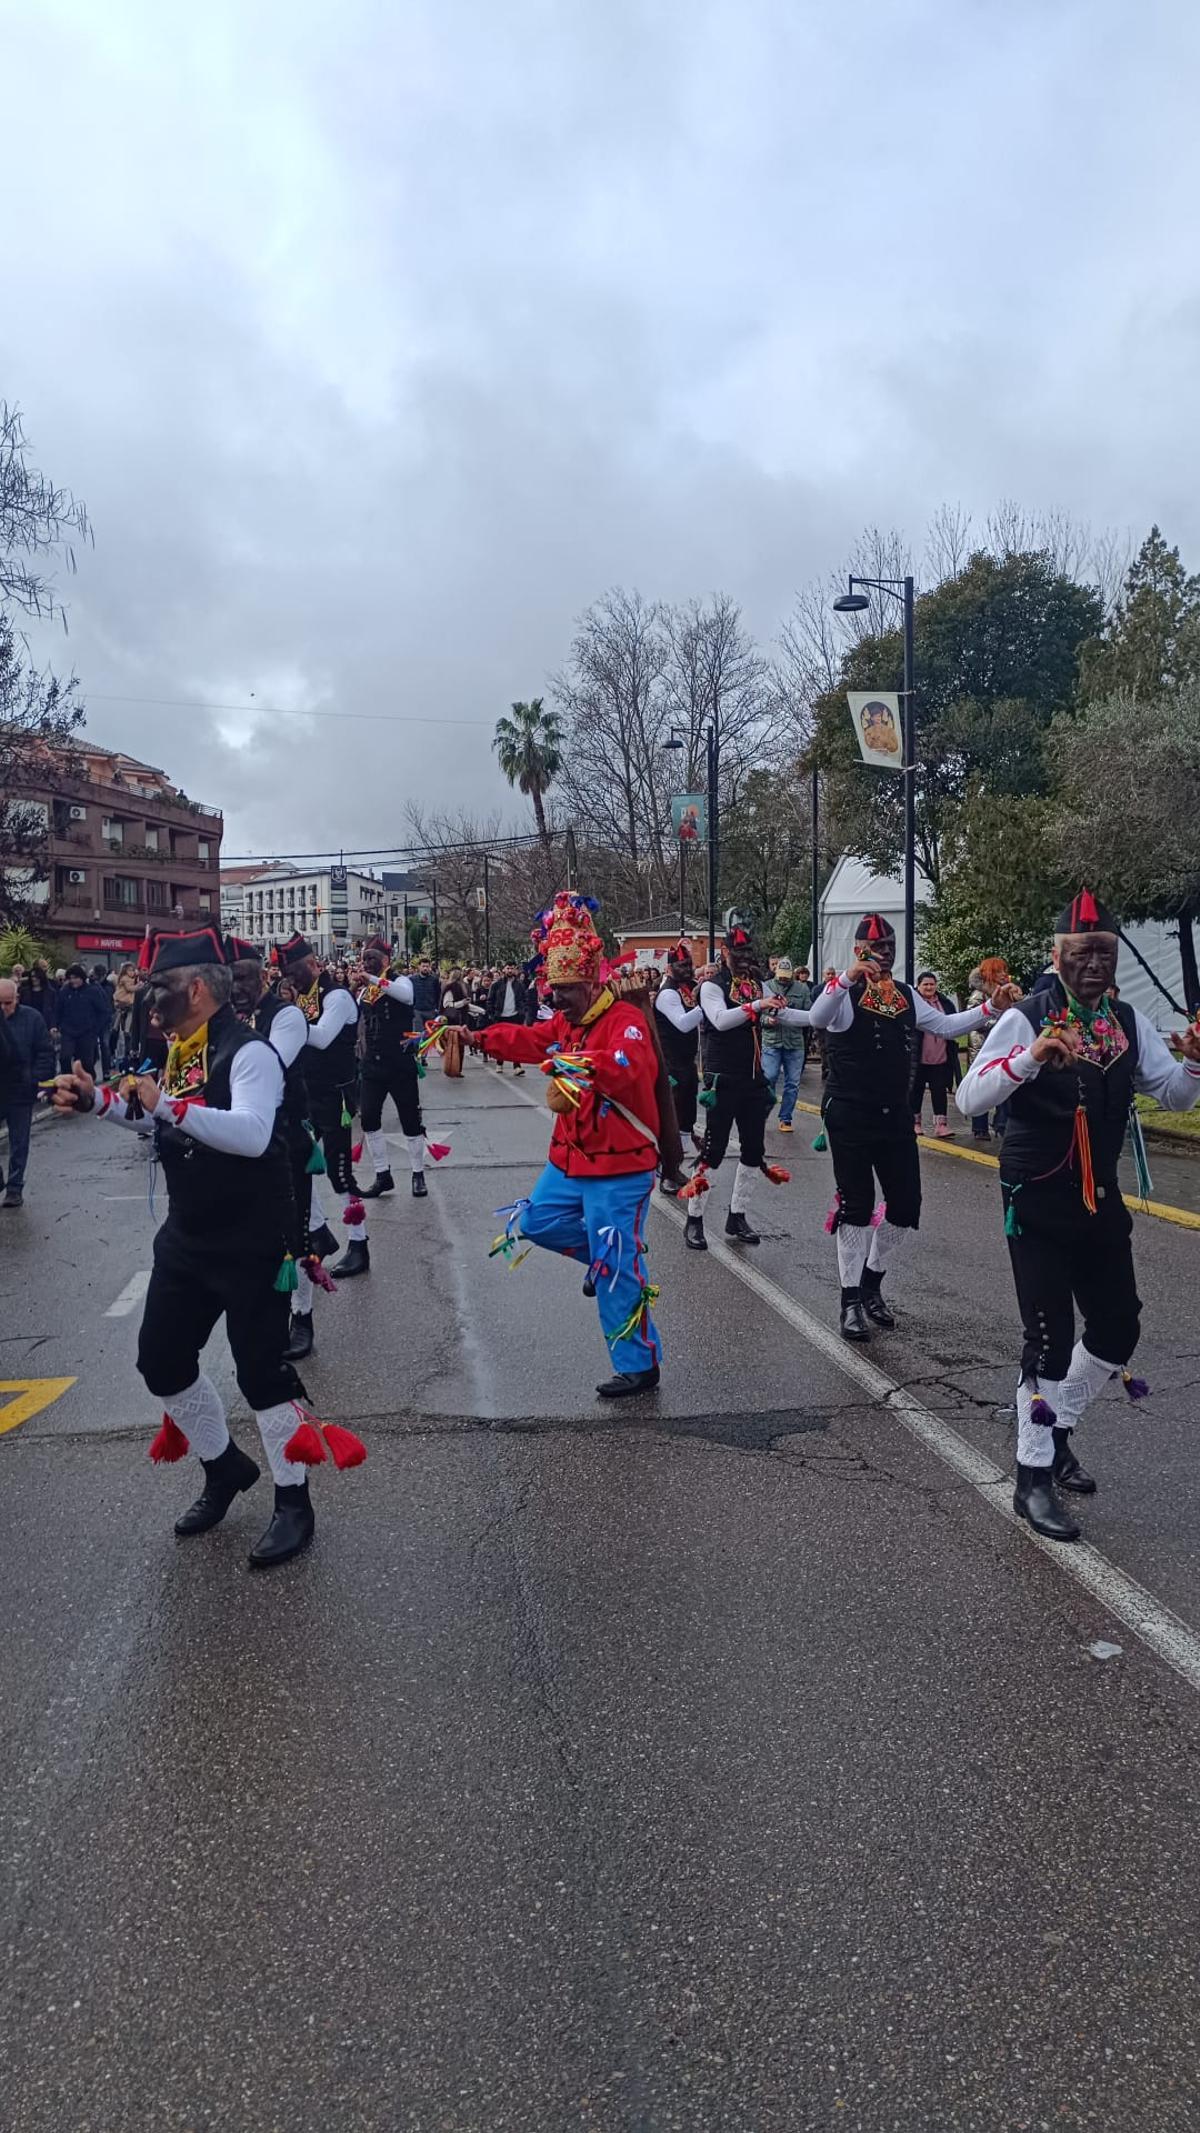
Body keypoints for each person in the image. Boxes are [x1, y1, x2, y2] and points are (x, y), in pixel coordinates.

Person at [51, 927, 363, 1567]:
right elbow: (157, 1114)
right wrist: (98, 1102)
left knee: (262, 1376)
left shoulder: (249, 1053)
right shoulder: (182, 1049)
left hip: (251, 1242)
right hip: (189, 1239)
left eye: (158, 988)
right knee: (160, 1362)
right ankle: (224, 1467)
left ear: (195, 987)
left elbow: (249, 1134)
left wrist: (167, 1107)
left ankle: (293, 1501)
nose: (147, 999)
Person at [956, 887, 1200, 1542]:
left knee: (1119, 1327)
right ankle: (1032, 1477)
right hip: (1034, 1196)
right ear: (1059, 955)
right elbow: (967, 1094)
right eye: (1081, 953)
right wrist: (1028, 1059)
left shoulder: (1127, 1020)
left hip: (1098, 1199)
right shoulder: (1026, 1016)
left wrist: (1197, 1060)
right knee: (1048, 1340)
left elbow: (1170, 1090)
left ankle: (1057, 1424)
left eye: (1104, 955)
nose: (1093, 966)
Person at [462, 890, 665, 1399]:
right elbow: (529, 1040)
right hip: (571, 1160)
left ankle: (638, 1364)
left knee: (615, 1265)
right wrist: (476, 1036)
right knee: (534, 1222)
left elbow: (629, 1068)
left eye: (566, 990)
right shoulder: (563, 1022)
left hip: (619, 1167)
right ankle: (607, 1258)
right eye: (553, 989)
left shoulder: (626, 1023)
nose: (556, 999)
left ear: (592, 981)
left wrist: (578, 1065)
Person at [807, 913, 1015, 1342]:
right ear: (858, 948)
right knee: (857, 1206)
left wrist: (991, 1007)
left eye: (889, 946)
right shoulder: (843, 993)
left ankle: (871, 1282)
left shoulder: (903, 993)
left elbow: (943, 1025)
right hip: (849, 1113)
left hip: (894, 1114)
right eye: (874, 946)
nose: (883, 954)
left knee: (905, 1207)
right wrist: (847, 978)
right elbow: (817, 1016)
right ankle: (849, 1300)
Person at [684, 914, 810, 1252]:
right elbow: (722, 1021)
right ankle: (694, 1218)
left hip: (754, 1079)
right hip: (722, 1079)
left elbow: (778, 1014)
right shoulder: (712, 986)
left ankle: (737, 1215)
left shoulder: (755, 985)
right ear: (724, 951)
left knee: (754, 1149)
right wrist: (758, 1004)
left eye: (748, 952)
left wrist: (822, 1016)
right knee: (714, 1149)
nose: (744, 958)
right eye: (737, 952)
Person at [227, 937, 326, 1364]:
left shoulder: (286, 1016)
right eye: (230, 981)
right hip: (249, 1141)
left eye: (245, 978)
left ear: (264, 976)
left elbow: (271, 1068)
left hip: (286, 1136)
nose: (238, 988)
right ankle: (267, 1310)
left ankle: (302, 1316)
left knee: (295, 1230)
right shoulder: (230, 1019)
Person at [273, 934, 369, 1278]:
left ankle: (360, 1244)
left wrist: (284, 1023)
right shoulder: (305, 997)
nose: (293, 984)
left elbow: (324, 1036)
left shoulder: (338, 996)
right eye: (290, 978)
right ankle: (317, 1232)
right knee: (297, 1164)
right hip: (306, 1092)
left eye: (297, 976)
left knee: (338, 1170)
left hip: (336, 1095)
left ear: (313, 965)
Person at [354, 935, 439, 1201]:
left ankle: (417, 1173)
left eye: (372, 959)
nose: (366, 963)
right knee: (368, 1117)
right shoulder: (364, 992)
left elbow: (404, 995)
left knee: (410, 1120)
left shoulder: (400, 981)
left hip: (400, 1063)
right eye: (364, 959)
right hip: (373, 1065)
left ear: (385, 961)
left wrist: (372, 979)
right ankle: (382, 1174)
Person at [0, 978, 54, 1207]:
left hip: (20, 1089)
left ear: (17, 998)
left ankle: (14, 1187)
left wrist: (35, 1080)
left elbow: (44, 1052)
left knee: (19, 1141)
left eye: (8, 1003)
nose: (3, 1008)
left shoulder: (32, 1018)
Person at [654, 942, 704, 1181]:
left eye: (688, 964)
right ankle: (667, 1172)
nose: (686, 969)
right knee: (671, 1118)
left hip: (687, 1062)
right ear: (670, 968)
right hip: (670, 1064)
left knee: (687, 1116)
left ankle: (678, 1167)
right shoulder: (668, 993)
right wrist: (706, 1006)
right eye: (681, 965)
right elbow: (683, 1023)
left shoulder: (688, 987)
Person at [760, 956, 810, 1131]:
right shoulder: (766, 987)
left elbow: (808, 1013)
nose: (783, 979)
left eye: (786, 975)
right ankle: (763, 1113)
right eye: (780, 975)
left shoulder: (802, 989)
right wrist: (767, 1020)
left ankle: (786, 1118)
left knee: (792, 1083)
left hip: (794, 1042)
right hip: (771, 1041)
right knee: (769, 1077)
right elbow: (756, 1014)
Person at [911, 971, 958, 1137]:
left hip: (940, 1057)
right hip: (918, 1057)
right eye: (925, 984)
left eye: (932, 984)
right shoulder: (914, 1003)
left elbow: (953, 1023)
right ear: (919, 986)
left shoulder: (944, 1003)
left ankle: (941, 1125)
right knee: (915, 1090)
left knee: (939, 1091)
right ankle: (915, 1123)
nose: (929, 987)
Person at [56, 963, 112, 1078]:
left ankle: (88, 1082)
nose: (73, 981)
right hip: (68, 1031)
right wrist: (57, 1025)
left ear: (82, 978)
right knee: (65, 1057)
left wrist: (95, 1029)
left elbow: (103, 1011)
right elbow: (57, 1010)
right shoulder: (64, 991)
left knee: (85, 1062)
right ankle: (68, 1080)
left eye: (75, 978)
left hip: (87, 1032)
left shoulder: (92, 991)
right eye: (70, 978)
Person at [487, 963, 533, 1073]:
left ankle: (517, 1066)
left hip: (515, 1016)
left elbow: (525, 999)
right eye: (508, 968)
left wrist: (523, 1012)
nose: (510, 970)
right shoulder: (496, 985)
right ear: (503, 970)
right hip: (500, 1016)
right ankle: (499, 1063)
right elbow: (490, 1000)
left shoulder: (520, 985)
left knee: (516, 1042)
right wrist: (492, 1014)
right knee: (501, 1041)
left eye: (512, 968)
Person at [411, 954, 441, 1022]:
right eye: (423, 966)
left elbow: (438, 994)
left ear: (429, 967)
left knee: (431, 1031)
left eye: (427, 966)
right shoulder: (412, 979)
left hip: (431, 1011)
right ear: (419, 967)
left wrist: (437, 1008)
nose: (425, 968)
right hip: (417, 1010)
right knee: (418, 1032)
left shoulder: (434, 979)